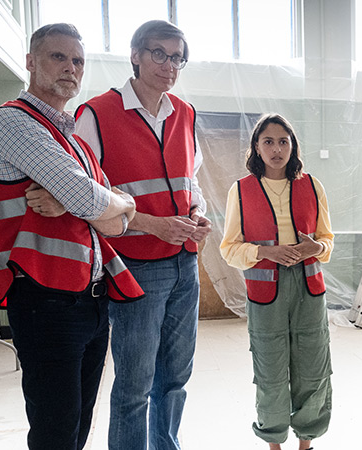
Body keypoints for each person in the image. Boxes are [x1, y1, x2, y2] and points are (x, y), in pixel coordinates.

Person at [0, 23, 144, 449]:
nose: (71, 68)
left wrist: (110, 203)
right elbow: (95, 203)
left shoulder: (75, 144)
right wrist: (103, 202)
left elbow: (119, 218)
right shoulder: (13, 122)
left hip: (91, 299)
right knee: (55, 431)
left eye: (78, 61)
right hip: (45, 300)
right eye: (58, 57)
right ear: (31, 62)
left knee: (78, 425)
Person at [73, 20, 211, 450]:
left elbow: (192, 181)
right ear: (134, 55)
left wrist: (198, 213)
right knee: (134, 385)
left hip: (184, 262)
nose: (169, 65)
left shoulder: (184, 114)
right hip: (134, 266)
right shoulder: (95, 113)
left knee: (176, 378)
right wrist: (154, 225)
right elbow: (86, 197)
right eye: (158, 53)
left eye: (176, 57)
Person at [220, 114, 334, 450]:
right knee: (270, 372)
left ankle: (306, 442)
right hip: (266, 293)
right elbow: (229, 249)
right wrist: (265, 253)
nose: (276, 149)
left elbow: (327, 240)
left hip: (309, 291)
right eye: (268, 141)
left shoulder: (312, 186)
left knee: (312, 368)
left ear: (293, 146)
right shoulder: (240, 190)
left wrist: (317, 248)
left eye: (283, 141)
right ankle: (273, 443)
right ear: (256, 146)